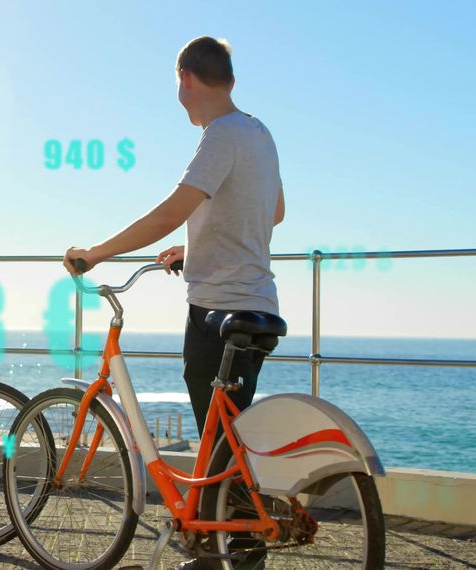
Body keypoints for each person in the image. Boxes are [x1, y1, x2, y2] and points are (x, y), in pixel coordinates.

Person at [62, 37, 284, 569]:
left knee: (218, 436)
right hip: (259, 303)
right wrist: (199, 243)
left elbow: (167, 214)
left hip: (216, 308)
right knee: (225, 434)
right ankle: (228, 546)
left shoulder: (220, 135)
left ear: (185, 78)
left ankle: (221, 548)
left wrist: (95, 253)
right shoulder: (258, 131)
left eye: (177, 85)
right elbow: (273, 211)